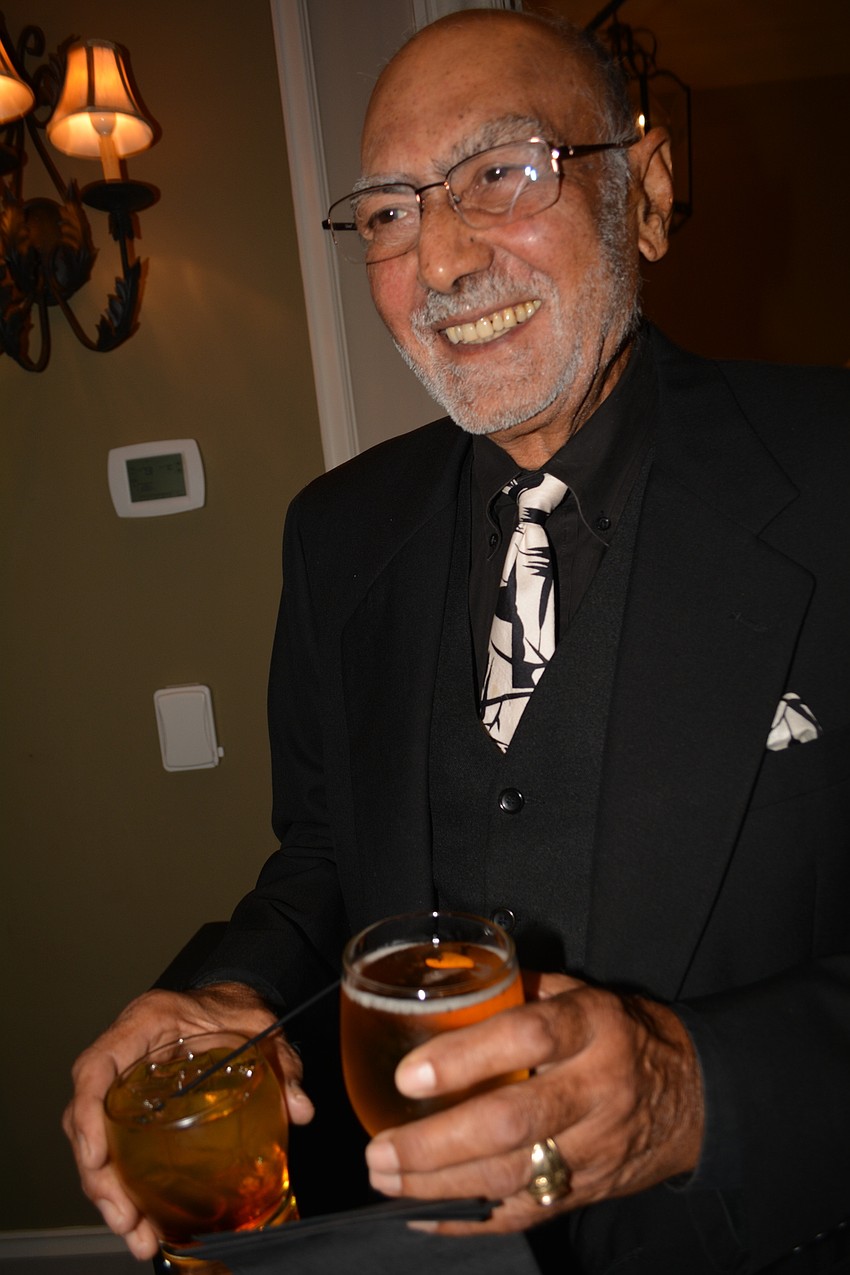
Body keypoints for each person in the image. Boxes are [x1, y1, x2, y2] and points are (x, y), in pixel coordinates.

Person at [64, 10, 850, 1273]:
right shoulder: (334, 534)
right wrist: (235, 991)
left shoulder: (834, 476)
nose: (438, 258)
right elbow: (320, 853)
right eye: (385, 212)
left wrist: (695, 1093)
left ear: (641, 194)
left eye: (501, 173)